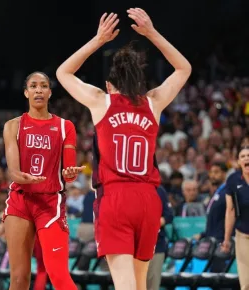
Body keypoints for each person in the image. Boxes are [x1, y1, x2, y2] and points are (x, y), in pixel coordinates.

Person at [56, 8, 191, 290]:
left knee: (125, 286)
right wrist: (152, 32)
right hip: (148, 199)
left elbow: (62, 72)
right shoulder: (153, 102)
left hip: (115, 199)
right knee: (140, 285)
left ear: (108, 85)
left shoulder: (100, 101)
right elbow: (184, 68)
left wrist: (99, 40)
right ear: (139, 83)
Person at [2, 71, 83, 290]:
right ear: (26, 92)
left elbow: (70, 170)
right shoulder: (13, 126)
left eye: (44, 86)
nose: (39, 90)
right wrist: (22, 177)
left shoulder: (66, 127)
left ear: (49, 93)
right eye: (34, 86)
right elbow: (13, 171)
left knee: (58, 275)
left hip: (50, 203)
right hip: (20, 200)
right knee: (19, 279)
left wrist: (70, 174)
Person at [222, 145, 249, 289]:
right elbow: (230, 210)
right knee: (246, 282)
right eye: (243, 156)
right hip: (243, 235)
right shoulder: (233, 180)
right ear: (239, 162)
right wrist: (226, 239)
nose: (246, 158)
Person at [146, 186, 173, 290]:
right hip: (132, 246)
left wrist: (153, 223)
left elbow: (169, 215)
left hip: (155, 245)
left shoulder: (158, 189)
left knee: (152, 284)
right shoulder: (127, 188)